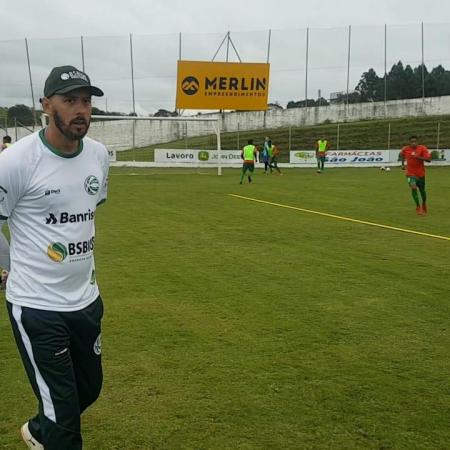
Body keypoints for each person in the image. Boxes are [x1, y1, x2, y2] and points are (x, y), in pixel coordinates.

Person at [0, 65, 109, 450]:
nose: (81, 109)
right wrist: (5, 265)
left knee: (88, 389)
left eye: (86, 101)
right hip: (37, 307)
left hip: (86, 300)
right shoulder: (15, 161)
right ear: (46, 105)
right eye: (70, 100)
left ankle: (37, 431)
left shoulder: (98, 156)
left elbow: (83, 214)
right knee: (64, 419)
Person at [400, 135, 431, 215]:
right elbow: (402, 155)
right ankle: (418, 206)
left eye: (415, 141)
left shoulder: (422, 148)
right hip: (410, 173)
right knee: (413, 187)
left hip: (420, 174)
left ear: (417, 142)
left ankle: (424, 204)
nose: (413, 143)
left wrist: (419, 157)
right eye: (412, 142)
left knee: (422, 191)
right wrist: (402, 164)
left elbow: (429, 160)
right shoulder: (406, 149)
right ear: (409, 142)